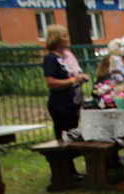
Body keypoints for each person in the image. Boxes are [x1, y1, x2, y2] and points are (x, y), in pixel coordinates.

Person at [42, 25, 88, 176]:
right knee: (64, 137)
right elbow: (51, 82)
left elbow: (74, 75)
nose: (68, 39)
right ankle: (66, 171)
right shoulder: (50, 59)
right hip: (60, 105)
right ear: (57, 38)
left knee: (75, 134)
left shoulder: (68, 57)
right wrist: (73, 80)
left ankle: (72, 169)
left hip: (73, 102)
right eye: (65, 36)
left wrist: (81, 78)